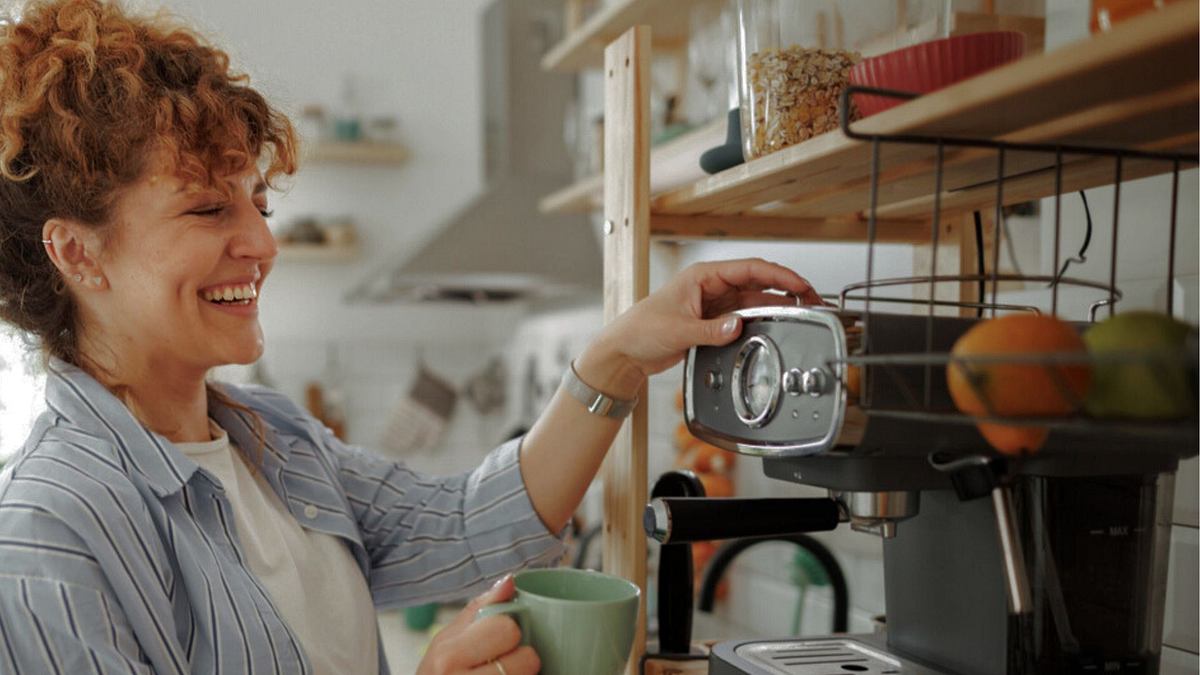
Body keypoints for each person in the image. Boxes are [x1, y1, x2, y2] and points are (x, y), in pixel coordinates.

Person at [0, 1, 822, 673]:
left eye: (260, 202)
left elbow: (469, 524)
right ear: (77, 252)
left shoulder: (272, 439)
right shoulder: (48, 531)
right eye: (208, 208)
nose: (261, 242)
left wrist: (621, 351)